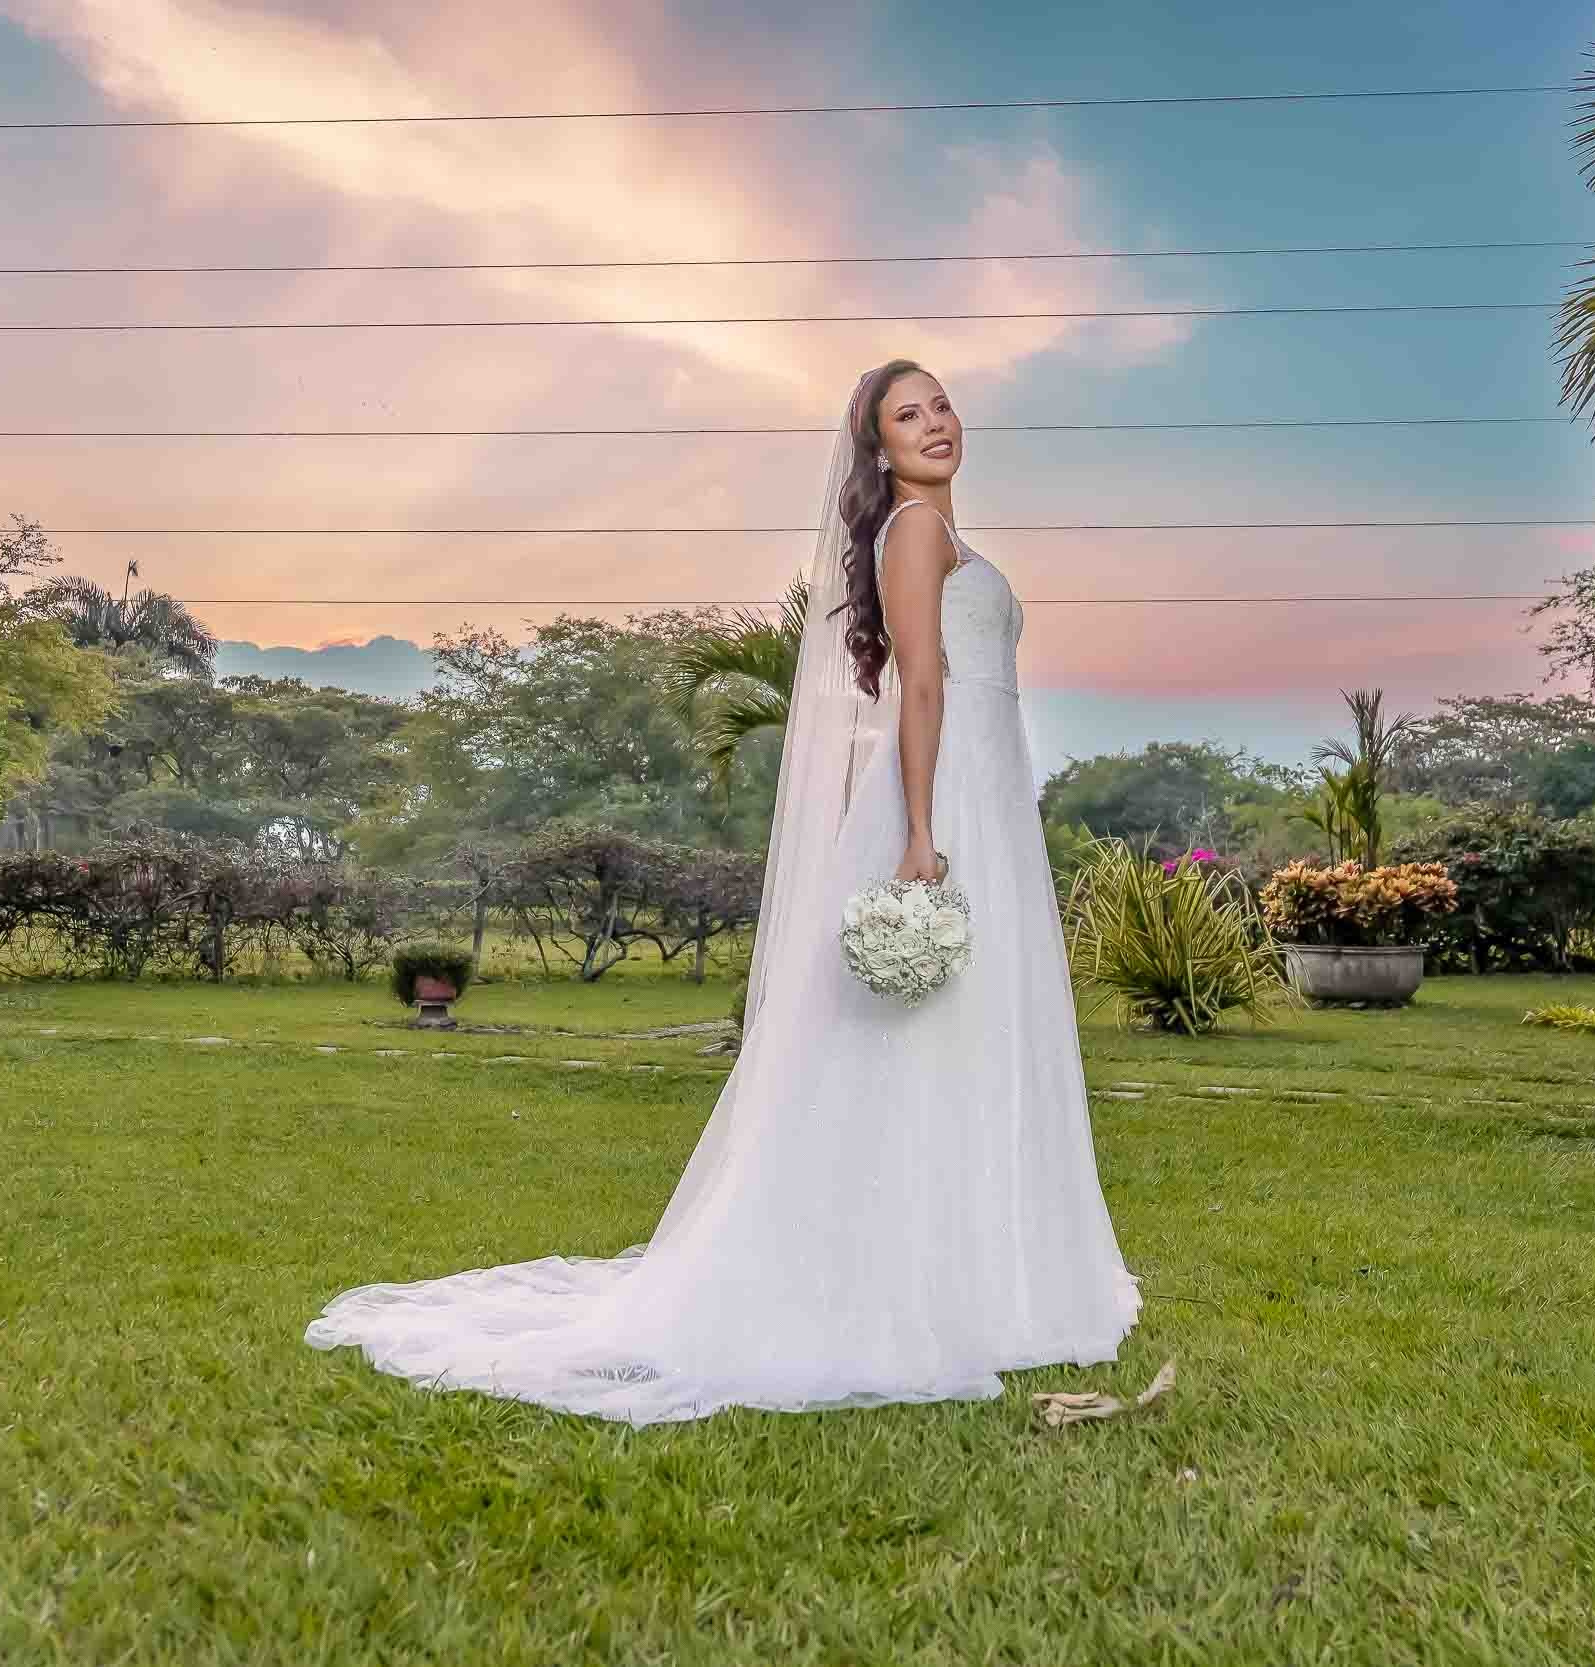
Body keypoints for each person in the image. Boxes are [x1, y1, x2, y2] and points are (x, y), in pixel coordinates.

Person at [305, 359, 1140, 1422]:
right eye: (906, 415)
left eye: (939, 405)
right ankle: (919, 1281)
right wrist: (923, 832)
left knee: (971, 1031)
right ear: (877, 450)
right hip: (947, 796)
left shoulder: (946, 538)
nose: (934, 424)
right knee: (919, 1032)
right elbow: (922, 681)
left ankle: (983, 1272)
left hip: (985, 787)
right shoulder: (916, 534)